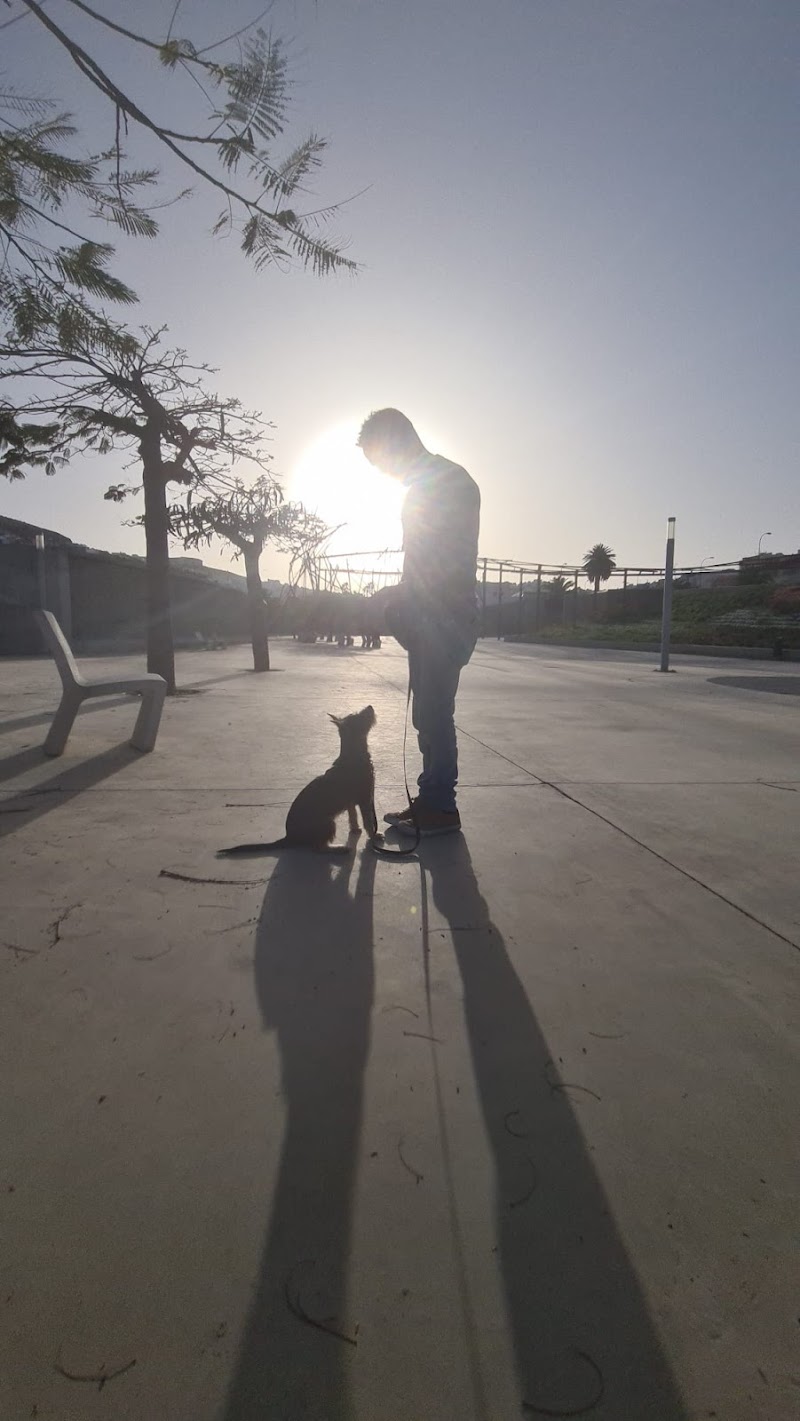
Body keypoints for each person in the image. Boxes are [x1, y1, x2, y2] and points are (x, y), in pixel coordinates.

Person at [357, 408, 480, 835]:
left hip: (444, 617)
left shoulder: (447, 485)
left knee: (435, 712)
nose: (384, 472)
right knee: (427, 714)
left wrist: (403, 597)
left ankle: (442, 808)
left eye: (381, 461)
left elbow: (445, 562)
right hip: (432, 615)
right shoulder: (430, 485)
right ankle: (432, 799)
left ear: (397, 443)